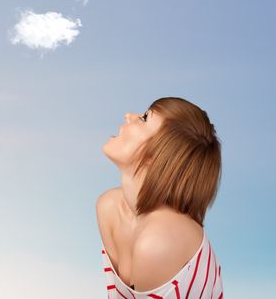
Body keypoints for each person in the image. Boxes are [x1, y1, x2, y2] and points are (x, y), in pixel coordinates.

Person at [96, 96, 224, 297]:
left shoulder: (159, 239)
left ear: (156, 156)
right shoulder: (109, 207)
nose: (129, 116)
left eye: (145, 118)